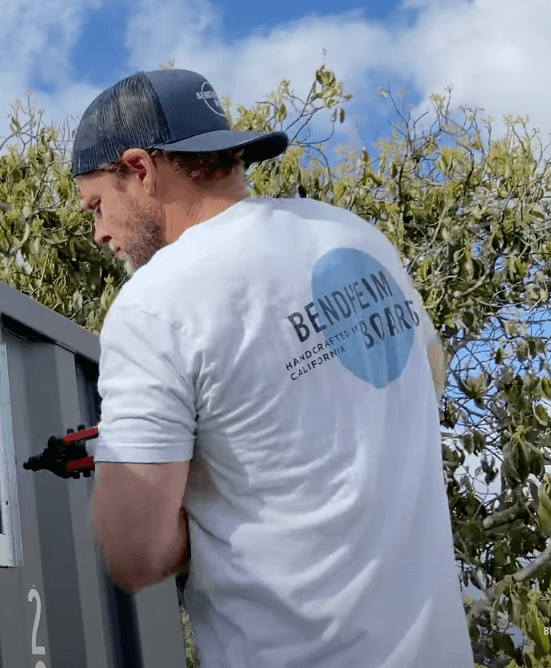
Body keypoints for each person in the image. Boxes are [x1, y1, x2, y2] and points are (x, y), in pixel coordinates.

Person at [75, 68, 472, 667]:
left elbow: (134, 556)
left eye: (98, 205)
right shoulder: (354, 237)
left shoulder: (157, 302)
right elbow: (429, 374)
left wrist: (197, 495)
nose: (100, 233)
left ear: (140, 170)